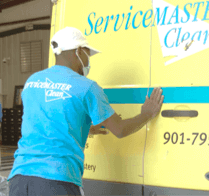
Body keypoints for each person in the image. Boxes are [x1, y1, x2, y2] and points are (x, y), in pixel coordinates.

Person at [7, 27, 164, 196]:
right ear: (78, 51)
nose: (88, 62)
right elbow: (120, 130)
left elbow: (44, 121)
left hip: (20, 178)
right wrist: (146, 114)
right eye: (87, 55)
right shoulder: (87, 87)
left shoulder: (32, 81)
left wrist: (86, 128)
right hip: (57, 180)